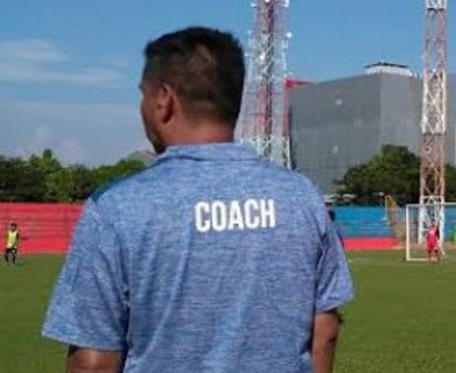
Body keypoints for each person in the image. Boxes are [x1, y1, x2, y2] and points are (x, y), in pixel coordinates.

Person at [42, 27, 354, 373]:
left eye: (142, 96)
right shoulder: (302, 198)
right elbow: (324, 331)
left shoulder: (116, 208)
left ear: (163, 100)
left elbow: (94, 361)